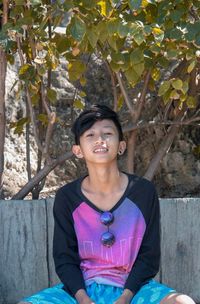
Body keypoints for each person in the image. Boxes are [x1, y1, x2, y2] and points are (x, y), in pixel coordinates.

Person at [21, 104, 195, 304]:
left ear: (121, 146)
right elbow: (64, 258)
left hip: (135, 290)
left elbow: (149, 256)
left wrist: (125, 298)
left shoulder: (143, 192)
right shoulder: (67, 197)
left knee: (182, 302)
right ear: (77, 150)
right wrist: (84, 299)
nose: (100, 140)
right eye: (90, 135)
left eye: (107, 133)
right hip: (81, 291)